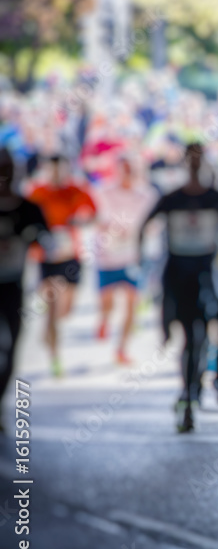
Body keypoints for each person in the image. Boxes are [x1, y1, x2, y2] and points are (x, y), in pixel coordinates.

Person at [140, 143, 218, 432]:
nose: (195, 164)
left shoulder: (216, 197)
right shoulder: (172, 198)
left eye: (199, 159)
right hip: (180, 276)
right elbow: (144, 225)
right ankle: (189, 393)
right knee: (192, 338)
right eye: (190, 159)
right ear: (184, 163)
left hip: (211, 271)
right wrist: (142, 262)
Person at [27, 154, 97, 376]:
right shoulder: (38, 193)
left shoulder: (76, 190)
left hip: (70, 256)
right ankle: (55, 359)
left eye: (60, 169)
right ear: (47, 170)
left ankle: (50, 332)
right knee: (52, 307)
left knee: (65, 310)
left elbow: (94, 213)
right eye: (53, 169)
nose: (57, 174)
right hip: (46, 259)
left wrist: (82, 221)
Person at [0, 148, 48, 431]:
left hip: (14, 287)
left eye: (9, 169)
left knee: (12, 346)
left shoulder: (28, 208)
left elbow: (47, 238)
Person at [93, 155, 157, 365]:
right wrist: (112, 229)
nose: (129, 174)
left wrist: (139, 232)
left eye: (133, 169)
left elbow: (154, 224)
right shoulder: (103, 191)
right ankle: (104, 319)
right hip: (107, 256)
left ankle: (121, 349)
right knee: (107, 302)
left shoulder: (148, 195)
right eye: (125, 169)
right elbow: (95, 218)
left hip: (133, 257)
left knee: (132, 303)